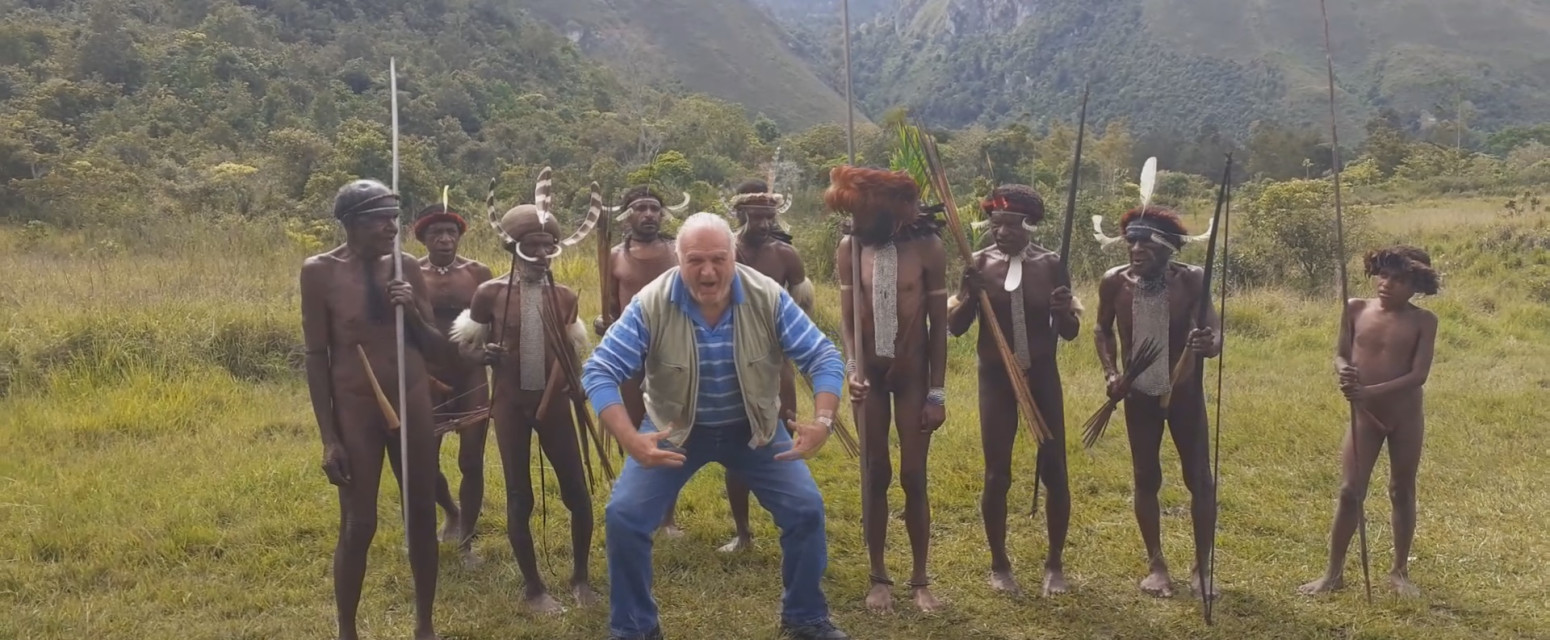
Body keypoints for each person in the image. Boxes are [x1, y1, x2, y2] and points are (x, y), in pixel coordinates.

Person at [582, 212, 850, 640]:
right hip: (675, 429)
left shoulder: (767, 296)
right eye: (695, 261)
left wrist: (822, 419)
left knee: (805, 509)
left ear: (733, 256)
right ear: (678, 259)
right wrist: (630, 437)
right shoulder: (651, 303)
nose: (708, 272)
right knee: (625, 516)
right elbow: (599, 371)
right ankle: (635, 628)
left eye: (718, 259)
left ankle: (805, 618)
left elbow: (823, 357)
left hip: (754, 427)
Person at [300, 179, 445, 640]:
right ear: (350, 224)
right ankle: (347, 630)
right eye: (380, 218)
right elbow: (315, 355)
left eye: (393, 216)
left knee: (420, 513)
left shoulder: (407, 267)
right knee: (359, 523)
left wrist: (414, 311)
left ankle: (424, 624)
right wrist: (329, 437)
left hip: (413, 400)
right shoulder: (319, 272)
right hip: (356, 410)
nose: (392, 226)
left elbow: (436, 347)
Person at [827, 165, 950, 613]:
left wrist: (937, 393)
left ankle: (920, 579)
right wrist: (853, 367)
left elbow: (939, 328)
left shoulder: (928, 246)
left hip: (914, 373)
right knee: (874, 473)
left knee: (914, 476)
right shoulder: (851, 246)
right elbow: (846, 317)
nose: (916, 209)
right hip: (871, 380)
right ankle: (878, 576)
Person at [947, 185, 1080, 596]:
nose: (1000, 232)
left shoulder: (1052, 265)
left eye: (1010, 225)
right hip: (996, 378)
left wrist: (1063, 311)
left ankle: (1054, 564)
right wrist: (969, 295)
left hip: (1042, 375)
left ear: (1029, 225)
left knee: (1055, 469)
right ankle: (999, 565)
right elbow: (956, 327)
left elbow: (1071, 332)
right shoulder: (979, 264)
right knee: (997, 473)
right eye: (995, 224)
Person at [1093, 205, 1220, 599]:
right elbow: (1101, 328)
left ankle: (1202, 567)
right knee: (1146, 478)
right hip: (1138, 395)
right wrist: (1112, 373)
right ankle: (1157, 565)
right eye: (1131, 242)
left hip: (1184, 393)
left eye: (1146, 243)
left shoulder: (1191, 280)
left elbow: (1214, 332)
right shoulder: (1114, 282)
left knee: (1199, 478)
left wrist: (1208, 343)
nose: (1136, 249)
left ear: (1169, 248)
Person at [1299, 245, 1439, 598]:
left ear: (1416, 285)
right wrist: (1346, 372)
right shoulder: (1355, 308)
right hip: (1364, 416)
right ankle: (1332, 574)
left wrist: (1370, 390)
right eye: (1383, 275)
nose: (1387, 284)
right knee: (1350, 491)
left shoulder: (1423, 320)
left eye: (1399, 280)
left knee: (1401, 489)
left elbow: (1418, 375)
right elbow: (1341, 355)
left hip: (1404, 417)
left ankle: (1399, 571)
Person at [718, 178, 816, 553]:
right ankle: (743, 531)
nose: (761, 224)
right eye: (754, 217)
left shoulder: (786, 256)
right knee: (736, 445)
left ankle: (790, 521)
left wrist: (791, 348)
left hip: (776, 363)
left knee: (781, 436)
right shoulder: (722, 252)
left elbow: (802, 312)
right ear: (739, 214)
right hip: (730, 360)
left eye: (768, 217)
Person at [595, 186, 685, 538]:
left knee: (672, 431)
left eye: (654, 208)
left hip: (674, 352)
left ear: (663, 215)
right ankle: (639, 504)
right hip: (630, 353)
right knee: (632, 427)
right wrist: (604, 324)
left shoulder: (678, 252)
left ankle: (667, 517)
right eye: (640, 208)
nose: (648, 214)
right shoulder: (614, 256)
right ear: (627, 215)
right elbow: (611, 308)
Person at [412, 203, 494, 564]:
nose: (444, 240)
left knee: (472, 461)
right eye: (436, 234)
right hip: (427, 376)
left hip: (471, 375)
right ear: (423, 238)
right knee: (423, 461)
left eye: (451, 233)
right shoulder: (410, 274)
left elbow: (495, 318)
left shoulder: (478, 273)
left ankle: (466, 542)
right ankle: (451, 510)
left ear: (460, 236)